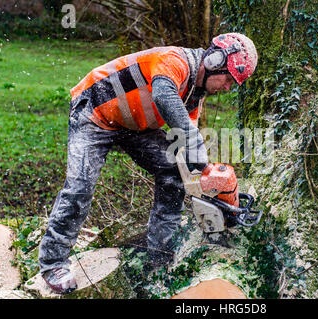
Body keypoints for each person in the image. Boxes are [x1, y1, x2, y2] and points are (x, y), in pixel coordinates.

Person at [38, 33, 258, 294]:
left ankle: (160, 255)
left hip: (133, 125)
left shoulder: (194, 96)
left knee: (173, 172)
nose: (228, 88)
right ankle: (53, 263)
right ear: (214, 61)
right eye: (230, 79)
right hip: (94, 112)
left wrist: (208, 185)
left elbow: (185, 148)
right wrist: (193, 140)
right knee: (80, 187)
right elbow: (165, 97)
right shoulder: (174, 61)